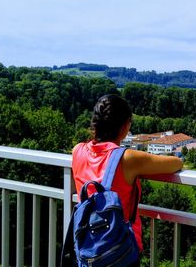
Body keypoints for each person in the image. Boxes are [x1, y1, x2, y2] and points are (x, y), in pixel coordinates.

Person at [71, 94, 183, 265]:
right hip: (120, 251)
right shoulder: (127, 158)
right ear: (124, 126)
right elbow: (175, 163)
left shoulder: (77, 151)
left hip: (88, 247)